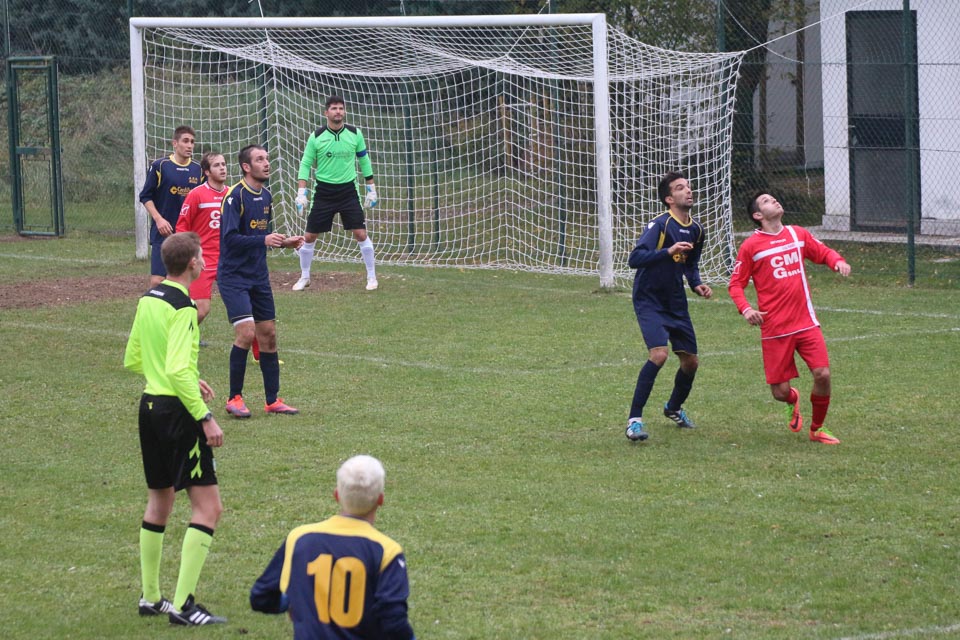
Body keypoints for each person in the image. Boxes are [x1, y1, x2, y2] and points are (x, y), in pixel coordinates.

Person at [123, 231, 227, 626]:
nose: (204, 262)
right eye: (201, 257)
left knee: (160, 500)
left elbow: (134, 357)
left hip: (149, 407)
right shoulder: (184, 306)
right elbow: (179, 367)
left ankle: (151, 598)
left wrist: (178, 376)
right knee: (209, 508)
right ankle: (184, 607)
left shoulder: (148, 299)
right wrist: (205, 415)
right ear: (192, 264)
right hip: (177, 414)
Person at [728, 192, 851, 445]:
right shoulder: (751, 246)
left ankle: (817, 428)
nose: (774, 200)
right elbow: (736, 284)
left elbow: (822, 252)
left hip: (806, 322)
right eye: (766, 201)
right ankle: (792, 399)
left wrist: (837, 261)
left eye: (773, 198)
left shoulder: (797, 234)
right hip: (774, 328)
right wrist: (746, 309)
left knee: (823, 374)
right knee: (780, 392)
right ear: (757, 215)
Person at [250, 455, 416, 640]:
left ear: (336, 495)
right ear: (380, 499)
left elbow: (261, 597)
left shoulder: (299, 538)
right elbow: (394, 621)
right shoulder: (387, 551)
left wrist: (292, 602)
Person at [625, 171, 713, 442]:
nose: (688, 190)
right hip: (649, 299)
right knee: (659, 355)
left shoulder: (697, 230)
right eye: (680, 188)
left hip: (676, 301)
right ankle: (634, 421)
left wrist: (696, 284)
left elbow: (690, 264)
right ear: (669, 198)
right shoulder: (660, 225)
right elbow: (635, 258)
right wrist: (668, 251)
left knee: (690, 362)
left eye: (689, 186)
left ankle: (673, 408)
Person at [218, 144, 303, 418]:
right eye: (259, 159)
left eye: (267, 158)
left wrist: (282, 242)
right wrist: (264, 239)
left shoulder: (266, 196)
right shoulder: (235, 197)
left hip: (258, 276)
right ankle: (234, 398)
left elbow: (261, 237)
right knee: (246, 333)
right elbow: (230, 239)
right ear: (246, 167)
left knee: (268, 335)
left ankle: (272, 400)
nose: (267, 163)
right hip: (234, 276)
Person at [292, 95, 380, 292]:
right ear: (326, 112)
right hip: (323, 191)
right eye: (334, 108)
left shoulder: (355, 134)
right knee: (309, 236)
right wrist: (301, 192)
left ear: (344, 111)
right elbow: (305, 164)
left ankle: (372, 277)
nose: (338, 111)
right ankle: (305, 277)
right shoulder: (316, 136)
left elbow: (364, 160)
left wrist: (371, 188)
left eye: (341, 108)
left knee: (360, 233)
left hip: (348, 191)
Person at [140, 125, 203, 287]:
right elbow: (145, 196)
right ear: (175, 143)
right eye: (185, 141)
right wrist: (159, 219)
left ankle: (181, 304)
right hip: (164, 231)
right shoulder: (160, 166)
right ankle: (156, 304)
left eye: (192, 142)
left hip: (188, 233)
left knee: (186, 279)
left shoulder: (198, 169)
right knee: (158, 280)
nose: (189, 145)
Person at [175, 151, 227, 325]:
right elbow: (181, 228)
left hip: (228, 260)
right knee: (201, 309)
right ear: (207, 171)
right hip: (203, 260)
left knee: (247, 307)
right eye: (217, 165)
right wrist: (193, 255)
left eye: (224, 164)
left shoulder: (233, 195)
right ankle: (177, 334)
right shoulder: (196, 194)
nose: (222, 168)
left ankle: (256, 343)